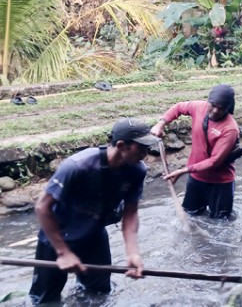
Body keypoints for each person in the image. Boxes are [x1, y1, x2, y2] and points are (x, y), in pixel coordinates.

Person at [29, 118, 158, 305]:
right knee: (44, 299)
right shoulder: (78, 165)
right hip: (57, 237)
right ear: (122, 145)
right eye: (141, 148)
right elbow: (42, 207)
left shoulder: (137, 171)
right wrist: (63, 252)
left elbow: (130, 212)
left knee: (99, 293)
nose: (146, 154)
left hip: (94, 235)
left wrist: (132, 252)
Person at [150, 84, 240, 219]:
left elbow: (214, 161)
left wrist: (182, 171)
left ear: (228, 108)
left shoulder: (230, 129)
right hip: (196, 178)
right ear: (208, 101)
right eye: (213, 105)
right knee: (191, 215)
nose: (215, 111)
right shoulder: (199, 107)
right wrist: (161, 124)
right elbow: (178, 107)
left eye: (220, 109)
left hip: (221, 183)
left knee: (221, 224)